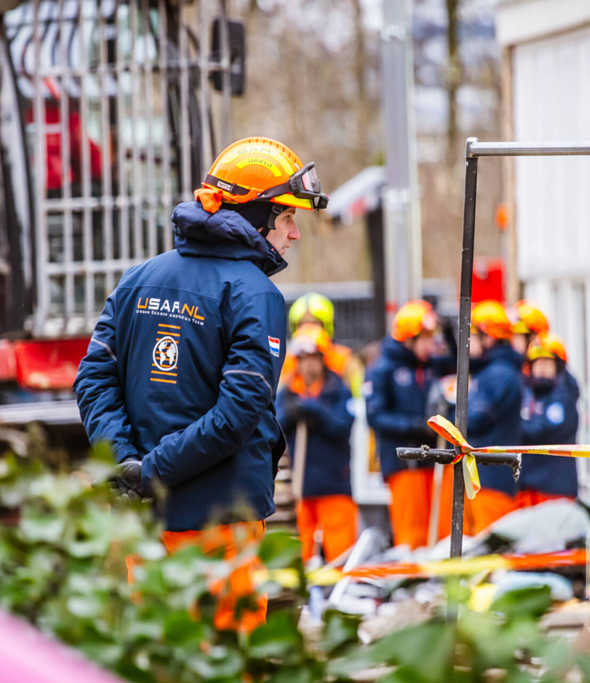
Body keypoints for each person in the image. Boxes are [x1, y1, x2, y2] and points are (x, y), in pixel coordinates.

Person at [74, 136, 328, 631]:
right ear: (257, 217)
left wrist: (129, 464)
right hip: (220, 526)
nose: (294, 233)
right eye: (288, 218)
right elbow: (238, 415)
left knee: (159, 655)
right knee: (223, 660)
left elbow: (93, 378)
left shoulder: (137, 280)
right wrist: (151, 470)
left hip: (145, 521)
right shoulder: (256, 295)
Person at [365, 300, 455, 549]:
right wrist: (415, 426)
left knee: (443, 533)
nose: (431, 345)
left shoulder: (431, 366)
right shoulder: (382, 369)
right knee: (413, 536)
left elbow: (459, 363)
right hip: (405, 465)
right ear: (408, 339)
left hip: (435, 461)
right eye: (425, 338)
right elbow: (376, 416)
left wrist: (449, 331)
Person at [276, 325, 357, 564]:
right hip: (300, 489)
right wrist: (290, 416)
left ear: (323, 359)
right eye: (303, 359)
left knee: (341, 554)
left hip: (334, 483)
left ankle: (340, 598)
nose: (308, 365)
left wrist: (315, 410)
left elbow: (343, 426)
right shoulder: (288, 393)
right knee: (299, 555)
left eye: (313, 358)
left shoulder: (339, 390)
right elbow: (274, 431)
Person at [465, 300, 525, 534]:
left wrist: (447, 415)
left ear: (488, 337)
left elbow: (475, 420)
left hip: (492, 480)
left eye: (473, 335)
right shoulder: (491, 371)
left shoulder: (499, 375)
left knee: (489, 548)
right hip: (482, 476)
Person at [517, 333, 580, 506]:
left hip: (554, 490)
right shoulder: (530, 394)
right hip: (529, 488)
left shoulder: (564, 398)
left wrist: (512, 427)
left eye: (547, 362)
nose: (541, 368)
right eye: (537, 363)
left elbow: (542, 431)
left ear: (557, 366)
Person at [280, 292, 363, 394]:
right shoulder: (285, 362)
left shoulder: (345, 361)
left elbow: (358, 400)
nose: (308, 329)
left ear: (326, 326)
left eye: (315, 323)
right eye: (302, 324)